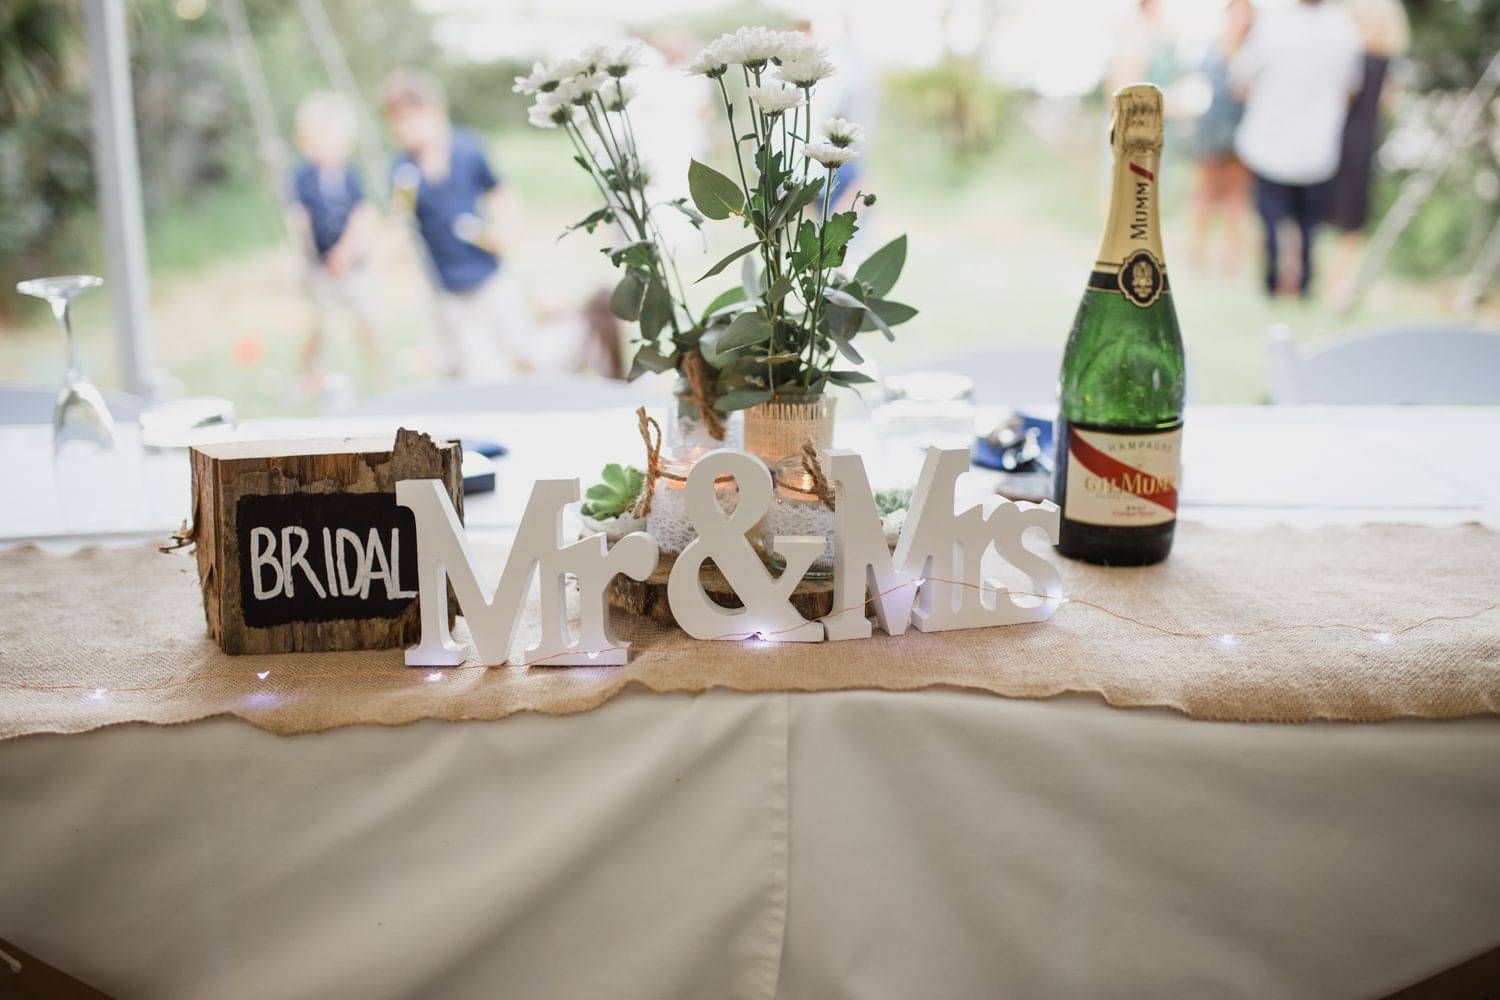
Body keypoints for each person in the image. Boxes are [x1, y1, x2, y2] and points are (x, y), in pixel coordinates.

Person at [379, 68, 527, 378]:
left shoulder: (469, 150)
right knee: (464, 365)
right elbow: (400, 218)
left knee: (519, 348)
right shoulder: (405, 170)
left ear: (433, 111)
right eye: (395, 123)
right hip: (446, 284)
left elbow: (500, 194)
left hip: (488, 270)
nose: (401, 130)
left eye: (407, 119)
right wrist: (392, 254)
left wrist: (504, 231)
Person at [1231, 0, 1364, 298]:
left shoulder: (1272, 25)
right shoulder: (1343, 29)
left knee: (1271, 218)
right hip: (1318, 145)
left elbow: (1241, 77)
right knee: (1308, 224)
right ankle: (1302, 283)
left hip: (1270, 142)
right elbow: (1352, 87)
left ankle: (1273, 281)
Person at [288, 91, 381, 391]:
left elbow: (360, 215)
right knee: (320, 324)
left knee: (366, 317)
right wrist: (305, 250)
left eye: (332, 138)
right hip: (319, 265)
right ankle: (306, 374)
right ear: (305, 142)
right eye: (317, 139)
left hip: (352, 263)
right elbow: (299, 217)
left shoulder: (350, 176)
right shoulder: (302, 178)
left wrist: (346, 252)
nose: (325, 146)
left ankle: (378, 372)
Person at [1328, 0, 1411, 303]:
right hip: (1364, 141)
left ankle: (1333, 281)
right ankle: (1338, 281)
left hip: (1343, 139)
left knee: (1336, 212)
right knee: (1352, 218)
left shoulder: (1354, 58)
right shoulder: (1387, 63)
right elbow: (1389, 103)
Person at [1188, 0, 1254, 276]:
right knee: (1203, 199)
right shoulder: (1211, 49)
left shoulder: (1253, 51)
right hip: (1210, 135)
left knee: (1235, 204)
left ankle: (1230, 262)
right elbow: (1199, 87)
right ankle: (1196, 257)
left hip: (1241, 139)